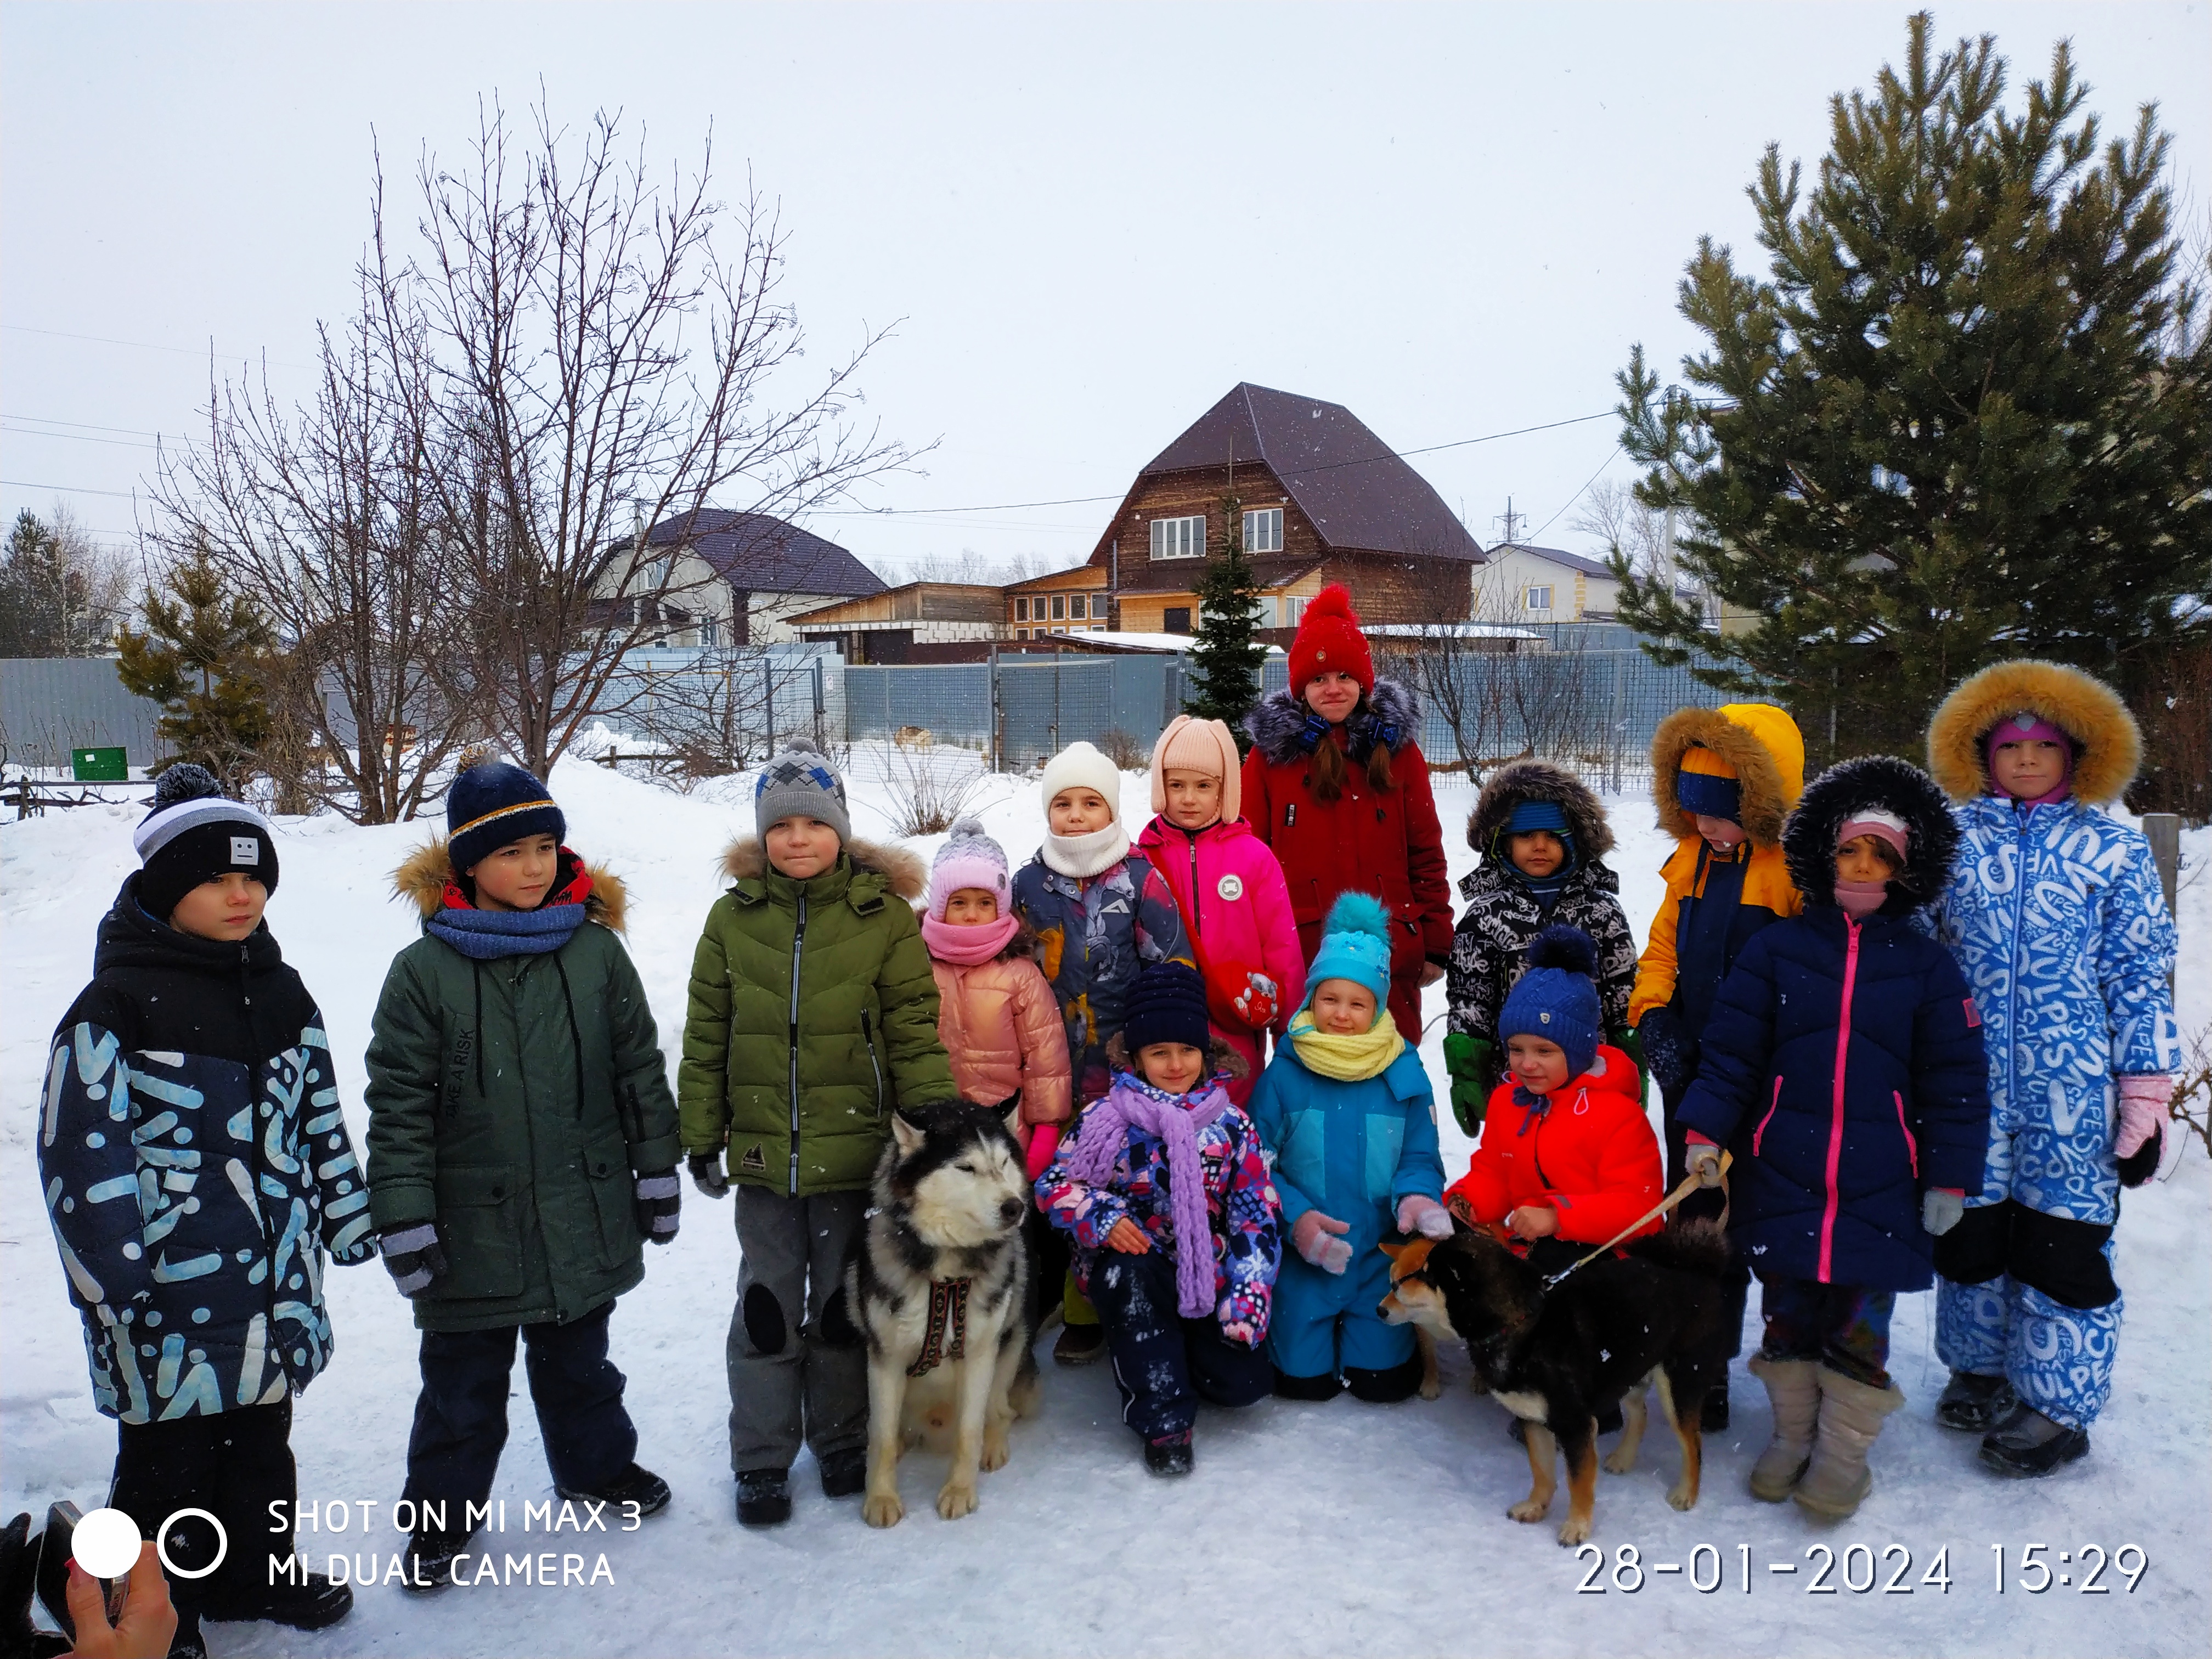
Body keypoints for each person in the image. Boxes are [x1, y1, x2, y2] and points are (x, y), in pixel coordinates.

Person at [37, 764, 373, 1656]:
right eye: (217, 878)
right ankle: (150, 1611)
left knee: (263, 1447)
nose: (241, 893)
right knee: (165, 1467)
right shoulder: (112, 1007)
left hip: (271, 1288)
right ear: (164, 885)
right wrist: (112, 1274)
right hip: (164, 1294)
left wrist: (345, 1215)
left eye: (255, 876)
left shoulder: (284, 990)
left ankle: (255, 1569)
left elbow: (321, 1116)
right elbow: (82, 1150)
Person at [366, 761, 681, 1583]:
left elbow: (638, 1072)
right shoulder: (423, 972)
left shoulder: (595, 953)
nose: (536, 868)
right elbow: (398, 1105)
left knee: (582, 1364)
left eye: (546, 847)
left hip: (581, 1208)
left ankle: (596, 1469)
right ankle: (440, 1518)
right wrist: (403, 1215)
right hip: (472, 1226)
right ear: (467, 864)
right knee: (461, 1389)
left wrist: (655, 1171)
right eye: (511, 853)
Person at [1675, 756, 1989, 1517]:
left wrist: (1950, 1178)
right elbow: (1732, 1053)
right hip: (1785, 1170)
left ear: (1906, 867)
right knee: (1786, 1318)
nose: (1862, 866)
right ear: (1824, 852)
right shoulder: (1778, 949)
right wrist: (1706, 1134)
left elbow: (1956, 1079)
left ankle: (1843, 1455)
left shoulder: (1926, 965)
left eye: (1880, 855)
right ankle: (1790, 1437)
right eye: (1851, 850)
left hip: (1881, 1181)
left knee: (1858, 1327)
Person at [679, 738, 957, 1526]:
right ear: (761, 837)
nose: (797, 839)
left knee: (842, 1306)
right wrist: (701, 1134)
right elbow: (708, 1033)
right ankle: (762, 1457)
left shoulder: (884, 922)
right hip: (765, 1160)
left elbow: (913, 1030)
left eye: (813, 823)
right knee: (766, 1304)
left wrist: (932, 1130)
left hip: (853, 1152)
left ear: (840, 829)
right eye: (781, 826)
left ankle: (841, 1438)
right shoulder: (732, 921)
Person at [1921, 662, 2180, 1477]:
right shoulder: (1952, 844)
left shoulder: (2111, 849)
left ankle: (2057, 1405)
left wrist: (2145, 1091)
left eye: (2042, 745)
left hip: (2073, 1092)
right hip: (1970, 1088)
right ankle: (1981, 1367)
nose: (2026, 760)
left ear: (2075, 753)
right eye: (2009, 747)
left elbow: (2139, 973)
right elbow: (1919, 956)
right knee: (1969, 1234)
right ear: (1981, 755)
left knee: (2061, 1245)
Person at [1624, 701, 1806, 1427]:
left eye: (1722, 812)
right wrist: (1653, 1016)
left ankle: (1792, 1360)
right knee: (1702, 1228)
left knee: (1774, 1227)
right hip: (1694, 1083)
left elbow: (1815, 975)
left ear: (1760, 804)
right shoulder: (1692, 862)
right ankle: (1706, 1363)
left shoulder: (1792, 872)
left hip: (1771, 1088)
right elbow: (1662, 951)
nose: (1706, 826)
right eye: (1694, 810)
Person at [1034, 963, 1282, 1475]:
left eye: (1187, 1050)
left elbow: (1256, 1215)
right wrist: (1100, 1216)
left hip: (1207, 1274)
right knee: (1134, 1287)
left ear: (1205, 1052)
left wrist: (1247, 1294)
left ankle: (1185, 1348)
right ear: (1137, 1056)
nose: (1175, 1065)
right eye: (1159, 1053)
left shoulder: (1230, 1125)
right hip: (1134, 1267)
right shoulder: (1105, 1119)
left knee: (1244, 1387)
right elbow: (1054, 1186)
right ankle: (1162, 1416)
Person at [1011, 739, 1193, 1364]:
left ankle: (1088, 1306)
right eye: (1063, 803)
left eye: (1092, 802)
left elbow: (1171, 967)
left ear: (1112, 810)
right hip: (1047, 1067)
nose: (1078, 815)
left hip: (1118, 1073)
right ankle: (1041, 1292)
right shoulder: (1029, 883)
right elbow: (1009, 969)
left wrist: (1152, 1052)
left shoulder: (1142, 879)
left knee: (1102, 1184)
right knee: (1043, 1181)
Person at [1246, 893, 1446, 1404]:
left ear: (1377, 1006)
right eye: (1329, 999)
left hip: (1376, 1259)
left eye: (1357, 1003)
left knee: (1384, 1386)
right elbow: (1256, 1162)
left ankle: (1369, 1344)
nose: (1340, 1014)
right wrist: (1298, 1222)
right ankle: (1306, 1337)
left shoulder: (1402, 1071)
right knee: (1300, 1385)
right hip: (1304, 1260)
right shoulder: (1285, 1074)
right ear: (1311, 998)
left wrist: (1417, 1199)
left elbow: (1419, 1155)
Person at [1242, 584, 1452, 1044]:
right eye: (1318, 679)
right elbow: (1250, 861)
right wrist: (1255, 949)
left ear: (1363, 681)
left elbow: (1425, 852)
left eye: (1343, 676)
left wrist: (1433, 939)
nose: (1332, 689)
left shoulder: (1398, 752)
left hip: (1389, 955)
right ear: (1301, 687)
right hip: (1304, 956)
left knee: (1390, 1092)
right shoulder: (1271, 759)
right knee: (1309, 1092)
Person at [1443, 926, 1663, 1281]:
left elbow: (1642, 1212)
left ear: (1577, 1052)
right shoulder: (1507, 1101)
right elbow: (1495, 1173)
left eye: (1544, 1051)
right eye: (1516, 1050)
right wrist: (1468, 1202)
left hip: (1600, 1262)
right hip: (1527, 1249)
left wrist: (1559, 1217)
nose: (1526, 1064)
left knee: (1548, 1266)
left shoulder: (1618, 1115)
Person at [920, 815, 1072, 1329]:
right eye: (959, 903)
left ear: (1003, 905)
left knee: (1010, 1251)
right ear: (940, 904)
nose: (972, 915)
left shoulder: (1020, 973)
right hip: (940, 1141)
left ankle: (1012, 1337)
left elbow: (1045, 1058)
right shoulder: (918, 966)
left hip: (1008, 1139)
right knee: (943, 1241)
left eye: (985, 903)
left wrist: (1046, 1128)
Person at [1443, 759, 1638, 1136]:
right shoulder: (1486, 915)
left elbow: (1623, 990)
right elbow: (1471, 997)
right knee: (1518, 1162)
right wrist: (1467, 1069)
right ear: (1503, 842)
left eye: (1553, 835)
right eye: (1525, 835)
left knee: (1583, 1164)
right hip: (1516, 1074)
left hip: (1588, 1076)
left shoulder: (1600, 911)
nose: (1539, 846)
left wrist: (1632, 1062)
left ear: (1573, 840)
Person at [1133, 714, 1305, 1105]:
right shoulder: (1143, 857)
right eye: (1177, 785)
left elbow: (1283, 952)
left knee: (1233, 1123)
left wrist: (1289, 1039)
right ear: (1162, 788)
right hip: (1165, 1032)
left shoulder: (1254, 859)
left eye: (1203, 786)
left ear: (1223, 791)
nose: (1189, 798)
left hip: (1237, 1027)